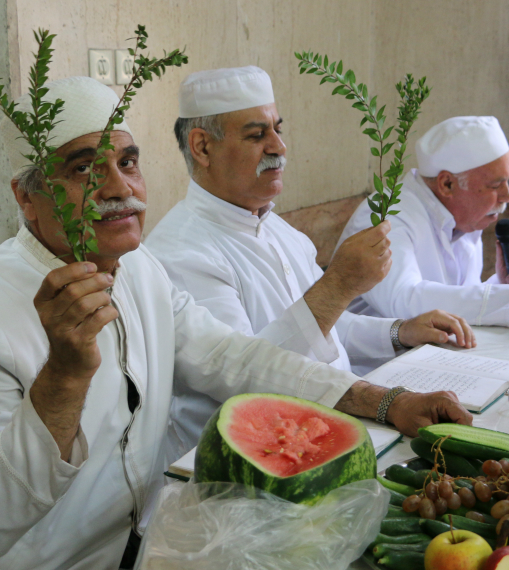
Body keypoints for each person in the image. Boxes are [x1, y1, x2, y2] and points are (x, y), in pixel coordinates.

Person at [0, 76, 471, 570]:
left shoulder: (139, 269)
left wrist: (384, 400)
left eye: (128, 162)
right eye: (82, 170)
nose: (118, 187)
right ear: (27, 196)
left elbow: (230, 356)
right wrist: (64, 376)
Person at [146, 66, 475, 454]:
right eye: (257, 135)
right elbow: (244, 376)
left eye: (278, 130)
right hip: (252, 466)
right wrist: (339, 286)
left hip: (336, 430)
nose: (278, 147)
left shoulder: (279, 229)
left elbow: (325, 332)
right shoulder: (180, 252)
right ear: (202, 147)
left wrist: (398, 332)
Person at [338, 116, 509, 326]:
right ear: (447, 184)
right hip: (372, 371)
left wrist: (506, 284)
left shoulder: (462, 216)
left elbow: (456, 300)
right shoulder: (387, 216)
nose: (507, 195)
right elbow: (406, 303)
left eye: (507, 181)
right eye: (494, 185)